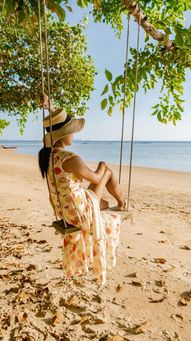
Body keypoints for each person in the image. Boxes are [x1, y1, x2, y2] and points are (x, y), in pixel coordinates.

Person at [38, 95, 125, 284]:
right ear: (63, 135)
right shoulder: (70, 158)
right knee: (106, 170)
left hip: (66, 210)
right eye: (72, 131)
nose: (74, 135)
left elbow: (55, 124)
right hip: (79, 212)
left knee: (103, 203)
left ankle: (111, 203)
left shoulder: (48, 155)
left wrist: (49, 107)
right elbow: (96, 177)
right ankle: (122, 203)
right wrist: (102, 165)